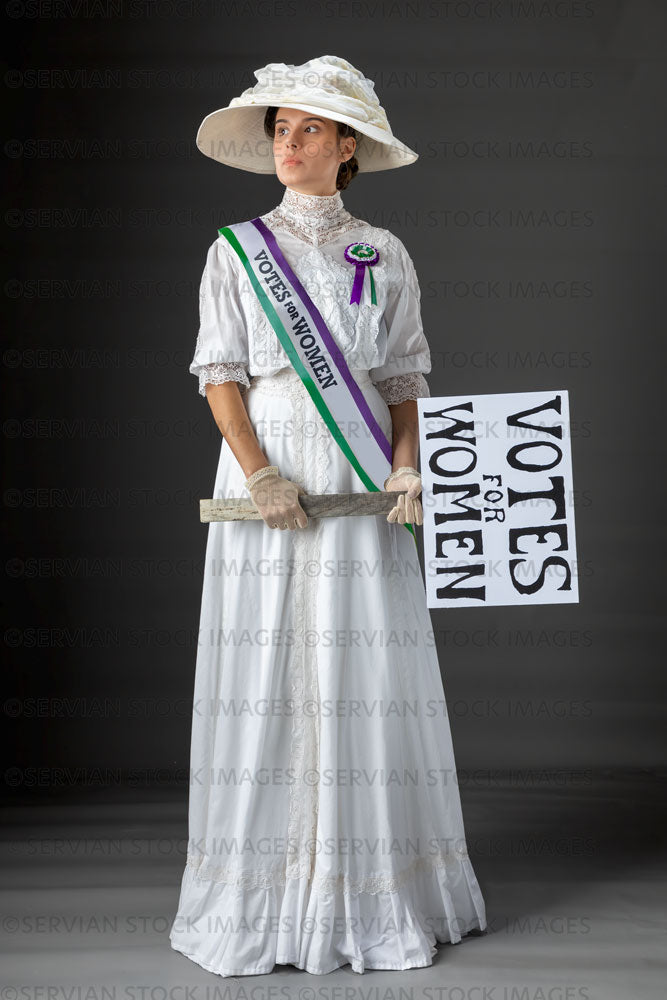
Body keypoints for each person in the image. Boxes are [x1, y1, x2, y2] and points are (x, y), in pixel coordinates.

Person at [169, 54, 487, 977]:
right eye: (280, 130)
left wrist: (404, 467)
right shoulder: (232, 252)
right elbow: (220, 375)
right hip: (268, 458)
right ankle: (264, 897)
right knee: (267, 654)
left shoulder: (382, 252)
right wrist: (259, 474)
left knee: (363, 655)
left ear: (347, 146)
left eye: (308, 129)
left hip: (358, 474)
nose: (289, 144)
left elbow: (401, 379)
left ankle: (373, 891)